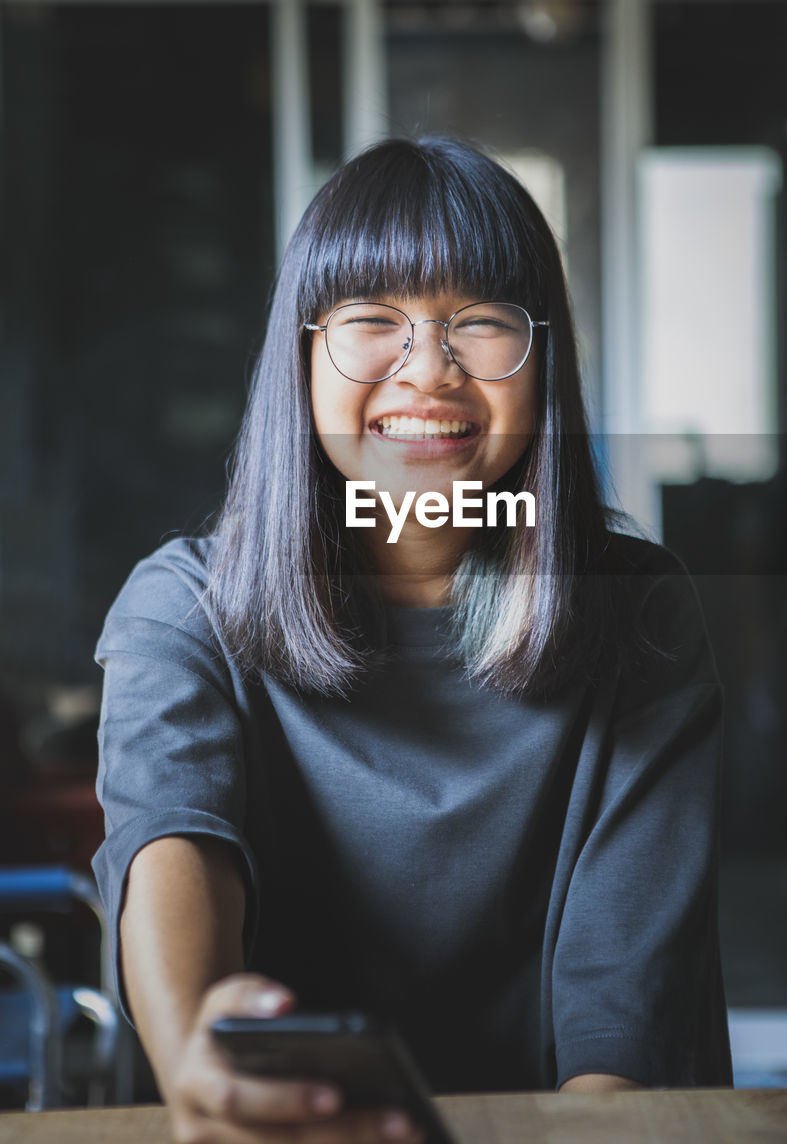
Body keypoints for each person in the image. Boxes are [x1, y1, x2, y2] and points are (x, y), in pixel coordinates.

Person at [93, 136, 732, 1143]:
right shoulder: (184, 605)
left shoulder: (638, 611)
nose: (425, 371)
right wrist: (195, 1051)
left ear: (544, 357)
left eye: (478, 322)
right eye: (370, 321)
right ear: (301, 355)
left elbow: (626, 1031)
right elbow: (172, 841)